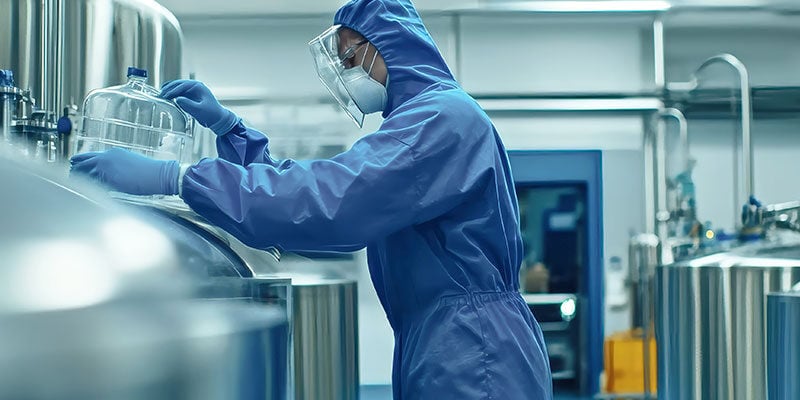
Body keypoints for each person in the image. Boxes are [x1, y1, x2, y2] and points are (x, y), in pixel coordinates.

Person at [70, 0, 553, 398]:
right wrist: (234, 134)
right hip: (448, 342)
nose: (346, 71)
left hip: (475, 352)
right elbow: (326, 211)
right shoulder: (420, 123)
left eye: (349, 58)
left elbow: (333, 203)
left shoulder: (441, 120)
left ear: (387, 46)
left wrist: (178, 177)